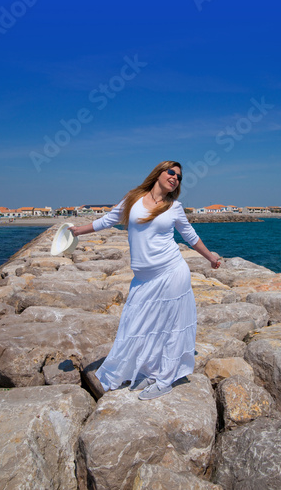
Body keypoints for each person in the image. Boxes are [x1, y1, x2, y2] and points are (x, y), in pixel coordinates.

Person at [69, 161, 220, 400]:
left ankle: (166, 379)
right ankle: (152, 370)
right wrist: (78, 231)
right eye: (171, 172)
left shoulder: (174, 207)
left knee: (170, 328)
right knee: (141, 325)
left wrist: (210, 257)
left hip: (172, 272)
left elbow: (190, 236)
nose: (175, 178)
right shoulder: (134, 198)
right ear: (158, 173)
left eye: (179, 177)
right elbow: (108, 220)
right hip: (143, 278)